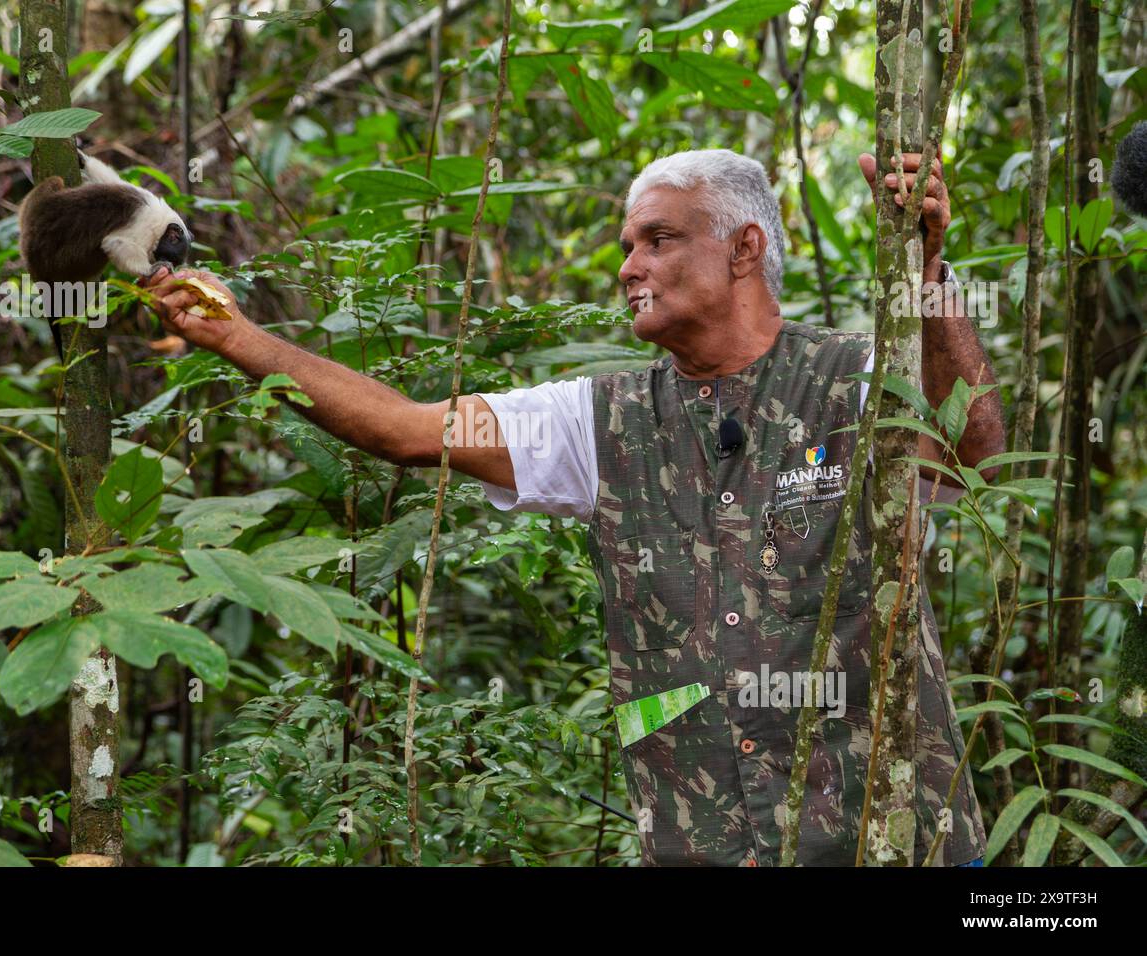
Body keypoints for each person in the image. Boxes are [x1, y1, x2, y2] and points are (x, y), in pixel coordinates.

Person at [142, 147, 1004, 866]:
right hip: (705, 840)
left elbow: (971, 457)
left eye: (658, 241)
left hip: (897, 834)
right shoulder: (600, 418)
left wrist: (925, 271)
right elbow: (404, 430)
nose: (628, 268)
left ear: (744, 250)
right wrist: (235, 337)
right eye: (627, 245)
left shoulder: (854, 376)